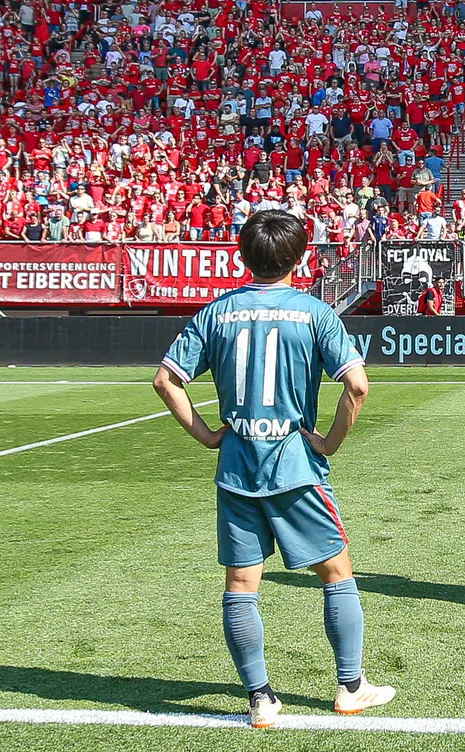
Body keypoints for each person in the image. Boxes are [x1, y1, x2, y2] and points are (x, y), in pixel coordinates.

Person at [151, 210, 395, 730]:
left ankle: (261, 700)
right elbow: (358, 385)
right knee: (336, 573)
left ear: (243, 255)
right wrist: (329, 440)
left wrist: (209, 435)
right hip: (296, 465)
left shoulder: (216, 312)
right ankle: (351, 687)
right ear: (300, 258)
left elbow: (165, 381)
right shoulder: (314, 313)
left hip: (237, 467)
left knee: (241, 584)